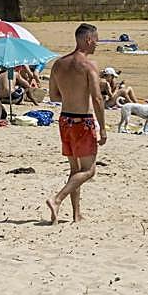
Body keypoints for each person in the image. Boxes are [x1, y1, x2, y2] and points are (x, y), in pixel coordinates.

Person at [45, 23, 106, 224]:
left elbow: (53, 95)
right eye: (96, 40)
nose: (97, 44)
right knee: (89, 170)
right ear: (89, 39)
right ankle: (57, 199)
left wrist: (71, 95)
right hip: (83, 121)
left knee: (75, 170)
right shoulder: (89, 66)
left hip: (65, 119)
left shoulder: (58, 64)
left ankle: (76, 214)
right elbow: (97, 99)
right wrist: (103, 128)